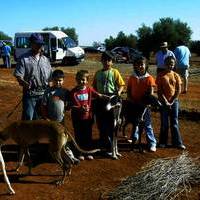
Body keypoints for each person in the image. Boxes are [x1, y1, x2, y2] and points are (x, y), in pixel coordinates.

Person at [41, 69, 79, 165]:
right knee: (52, 139)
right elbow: (43, 106)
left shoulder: (65, 91)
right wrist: (46, 118)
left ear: (63, 80)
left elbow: (70, 102)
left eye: (60, 80)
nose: (58, 82)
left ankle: (71, 157)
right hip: (50, 122)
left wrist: (70, 105)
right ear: (52, 80)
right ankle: (53, 155)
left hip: (61, 121)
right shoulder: (48, 92)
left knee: (63, 139)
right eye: (56, 80)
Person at [13, 33, 52, 120]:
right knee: (28, 118)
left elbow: (50, 77)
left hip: (43, 95)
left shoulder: (45, 60)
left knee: (42, 118)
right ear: (31, 44)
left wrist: (50, 85)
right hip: (30, 95)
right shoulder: (24, 59)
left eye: (41, 44)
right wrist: (25, 84)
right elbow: (19, 76)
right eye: (37, 43)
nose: (39, 46)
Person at [93, 51, 125, 153]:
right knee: (101, 122)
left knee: (111, 123)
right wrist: (97, 95)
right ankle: (103, 142)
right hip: (100, 100)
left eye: (109, 60)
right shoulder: (98, 73)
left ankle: (111, 145)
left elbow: (121, 85)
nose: (106, 62)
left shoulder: (115, 72)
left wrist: (118, 93)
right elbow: (94, 87)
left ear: (112, 62)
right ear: (101, 61)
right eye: (104, 60)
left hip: (111, 100)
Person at [70, 70, 106, 161]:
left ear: (87, 81)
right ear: (76, 80)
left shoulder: (89, 89)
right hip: (77, 119)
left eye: (84, 80)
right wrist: (80, 108)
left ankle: (88, 152)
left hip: (88, 118)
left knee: (88, 135)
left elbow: (97, 94)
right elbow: (72, 106)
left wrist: (104, 96)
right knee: (79, 136)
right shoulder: (73, 92)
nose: (82, 81)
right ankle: (80, 153)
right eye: (79, 79)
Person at [127, 56, 157, 152]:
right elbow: (128, 90)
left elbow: (151, 93)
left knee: (147, 124)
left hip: (144, 106)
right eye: (138, 64)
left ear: (146, 65)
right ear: (135, 65)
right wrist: (130, 98)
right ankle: (134, 139)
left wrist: (148, 102)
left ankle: (152, 143)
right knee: (135, 123)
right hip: (134, 104)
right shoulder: (132, 77)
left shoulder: (149, 78)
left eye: (142, 64)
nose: (140, 66)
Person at [156, 56, 186, 150]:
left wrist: (173, 100)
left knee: (174, 122)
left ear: (174, 64)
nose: (170, 65)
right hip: (163, 102)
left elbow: (178, 89)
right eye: (168, 63)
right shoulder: (160, 75)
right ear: (165, 64)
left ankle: (177, 142)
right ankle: (162, 142)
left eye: (172, 64)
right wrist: (165, 101)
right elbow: (159, 91)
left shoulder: (176, 75)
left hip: (174, 102)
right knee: (164, 123)